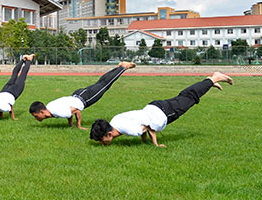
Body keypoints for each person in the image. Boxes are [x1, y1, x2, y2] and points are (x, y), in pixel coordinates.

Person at [90, 72, 233, 147]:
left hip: (163, 113)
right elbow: (140, 122)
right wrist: (144, 141)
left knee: (190, 98)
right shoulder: (115, 120)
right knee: (185, 96)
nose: (102, 143)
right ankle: (209, 82)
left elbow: (148, 128)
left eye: (101, 140)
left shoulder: (128, 131)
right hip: (154, 106)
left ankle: (214, 78)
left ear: (108, 134)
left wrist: (156, 144)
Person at [29, 62, 136, 129]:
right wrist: (71, 125)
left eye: (36, 116)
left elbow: (76, 111)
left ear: (42, 112)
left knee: (104, 85)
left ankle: (123, 68)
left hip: (85, 98)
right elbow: (68, 112)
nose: (36, 118)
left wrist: (78, 125)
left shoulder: (56, 112)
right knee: (100, 83)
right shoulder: (50, 106)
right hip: (77, 94)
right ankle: (119, 67)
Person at [0, 54, 35, 120]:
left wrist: (13, 118)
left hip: (13, 92)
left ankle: (29, 60)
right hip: (5, 90)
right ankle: (23, 60)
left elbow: (10, 107)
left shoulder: (1, 107)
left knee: (22, 76)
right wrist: (0, 116)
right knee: (14, 75)